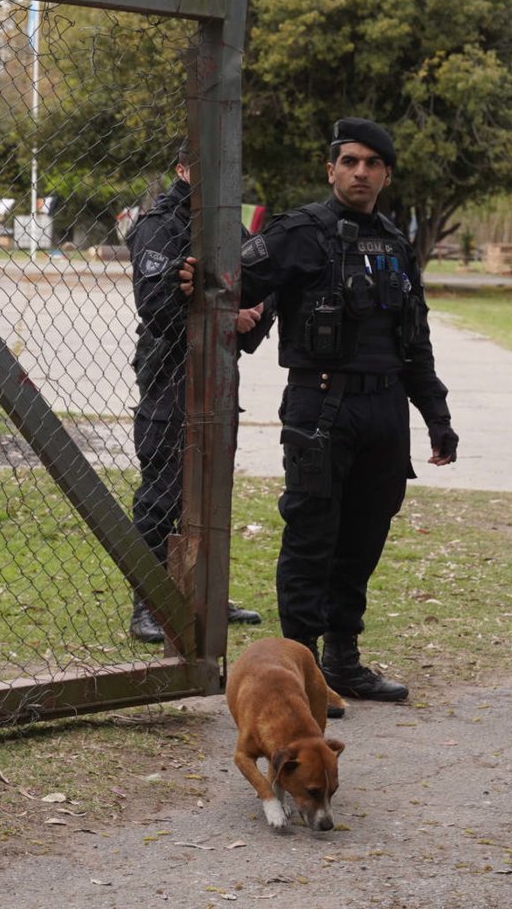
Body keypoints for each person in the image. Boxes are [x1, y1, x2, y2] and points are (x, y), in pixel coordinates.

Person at [182, 118, 457, 703]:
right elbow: (227, 277)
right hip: (321, 407)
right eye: (349, 161)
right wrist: (197, 282)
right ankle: (298, 672)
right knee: (311, 538)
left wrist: (436, 417)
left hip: (384, 412)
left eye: (372, 163)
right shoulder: (299, 232)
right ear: (330, 168)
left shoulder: (395, 244)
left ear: (386, 173)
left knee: (363, 539)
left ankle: (344, 662)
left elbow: (416, 340)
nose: (360, 172)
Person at [126, 141, 274, 644]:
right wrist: (221, 315)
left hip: (219, 380)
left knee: (211, 493)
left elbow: (259, 294)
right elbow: (159, 312)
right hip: (170, 379)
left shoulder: (229, 226)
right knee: (162, 493)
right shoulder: (159, 227)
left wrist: (243, 317)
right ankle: (148, 601)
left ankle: (204, 592)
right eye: (206, 166)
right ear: (183, 168)